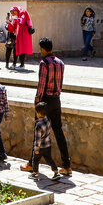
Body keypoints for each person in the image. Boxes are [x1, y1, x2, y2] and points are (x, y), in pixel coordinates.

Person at [30, 37, 71, 175]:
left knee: (38, 131)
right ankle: (67, 165)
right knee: (58, 132)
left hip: (45, 100)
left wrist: (37, 102)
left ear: (43, 48)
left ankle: (32, 164)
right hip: (56, 100)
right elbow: (60, 83)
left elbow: (41, 85)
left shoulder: (44, 63)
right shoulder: (60, 63)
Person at [27, 101, 60, 180]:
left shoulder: (38, 125)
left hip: (40, 146)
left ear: (38, 113)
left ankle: (35, 173)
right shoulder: (48, 120)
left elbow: (38, 138)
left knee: (35, 159)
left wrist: (36, 148)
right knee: (49, 159)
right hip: (48, 144)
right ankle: (56, 171)